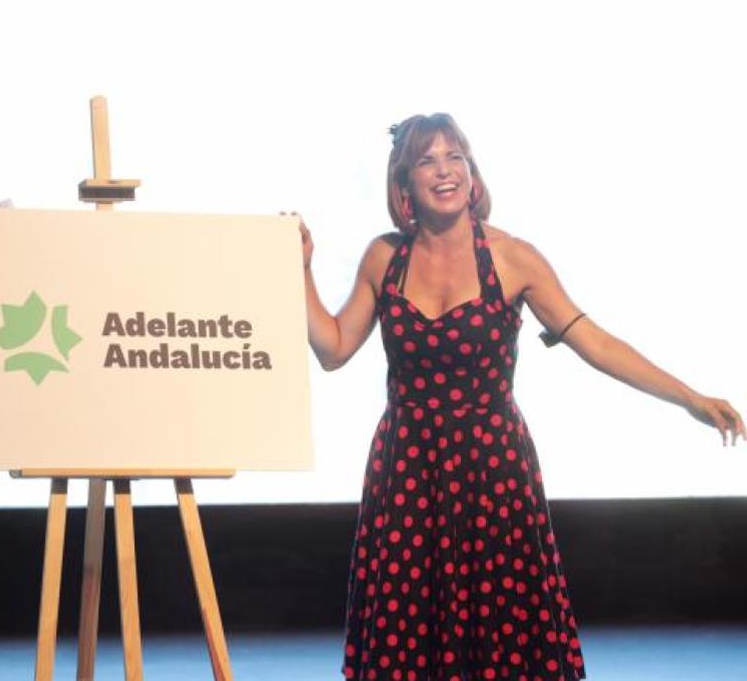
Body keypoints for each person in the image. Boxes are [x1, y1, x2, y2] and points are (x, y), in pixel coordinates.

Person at [299, 113, 743, 681]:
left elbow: (598, 343)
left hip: (493, 471)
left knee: (502, 638)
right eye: (427, 161)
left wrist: (690, 398)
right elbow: (333, 348)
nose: (444, 171)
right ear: (404, 184)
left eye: (454, 157)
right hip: (406, 470)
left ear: (473, 174)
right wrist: (303, 270)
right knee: (407, 637)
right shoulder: (385, 257)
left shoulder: (513, 259)